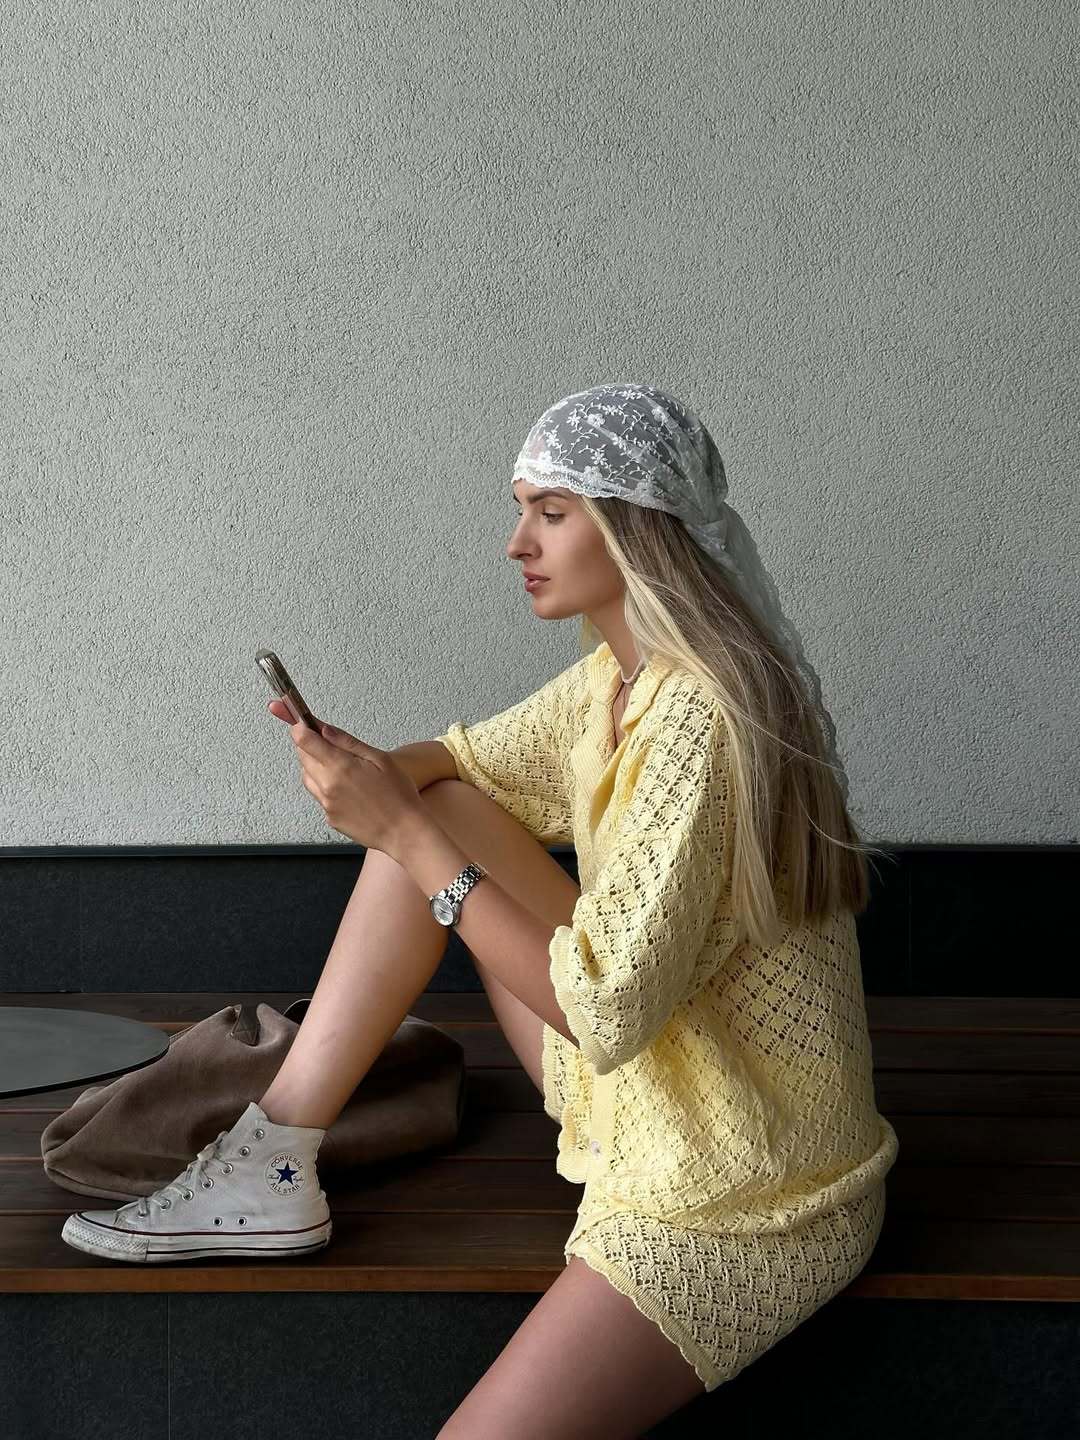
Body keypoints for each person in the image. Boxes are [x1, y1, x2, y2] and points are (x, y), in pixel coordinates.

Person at [60, 382, 899, 1439]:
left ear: (636, 528)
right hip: (652, 1093)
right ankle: (277, 1153)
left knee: (428, 831)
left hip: (745, 1192)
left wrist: (404, 833)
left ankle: (274, 1153)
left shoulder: (700, 722)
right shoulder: (618, 681)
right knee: (444, 805)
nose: (518, 543)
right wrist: (370, 776)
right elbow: (462, 763)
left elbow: (604, 1015)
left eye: (551, 512)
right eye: (520, 510)